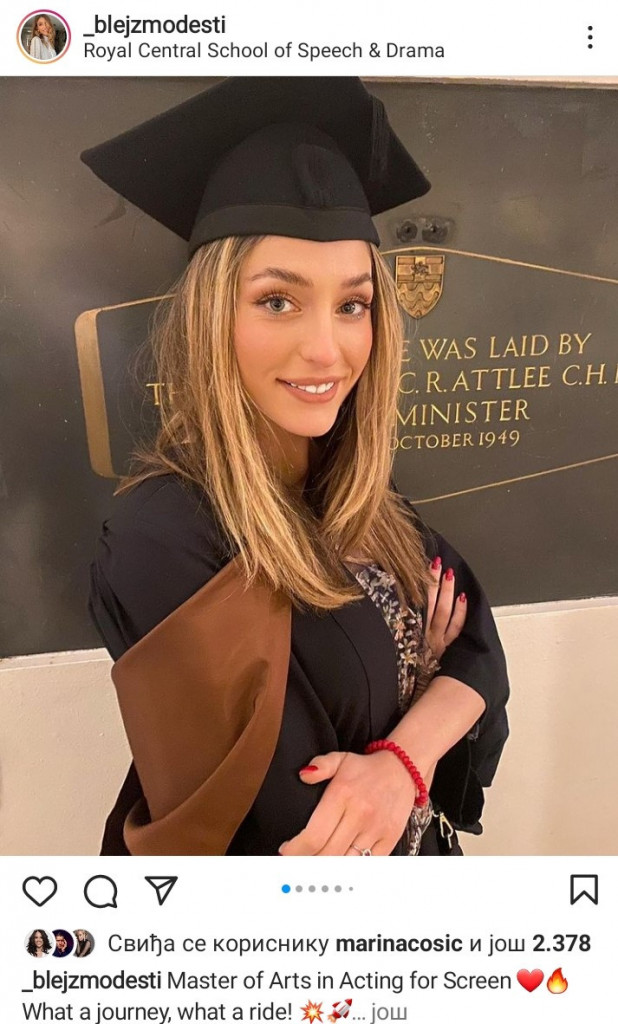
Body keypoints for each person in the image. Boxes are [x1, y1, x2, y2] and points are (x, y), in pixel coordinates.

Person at [84, 77, 509, 857]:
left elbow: (477, 645)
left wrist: (401, 760)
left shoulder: (353, 486)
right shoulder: (165, 536)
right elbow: (308, 823)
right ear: (213, 315)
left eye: (352, 305)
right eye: (278, 301)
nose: (326, 349)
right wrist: (422, 682)